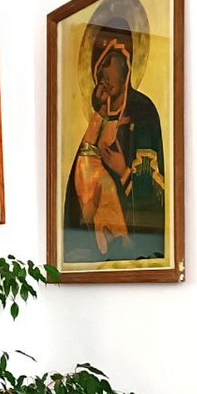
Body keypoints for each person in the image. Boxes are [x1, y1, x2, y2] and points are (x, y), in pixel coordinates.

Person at [64, 20, 165, 263]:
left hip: (139, 247)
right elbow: (77, 190)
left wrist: (123, 171)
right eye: (98, 68)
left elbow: (155, 193)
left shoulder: (142, 111)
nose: (102, 74)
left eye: (108, 63)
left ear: (126, 62)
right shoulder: (98, 120)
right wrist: (99, 112)